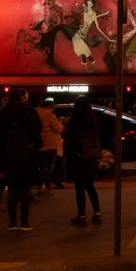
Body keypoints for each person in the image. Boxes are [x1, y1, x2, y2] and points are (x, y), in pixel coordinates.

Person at [0, 89, 43, 231]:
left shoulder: (6, 114)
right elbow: (39, 141)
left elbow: (2, 141)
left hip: (10, 156)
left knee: (12, 190)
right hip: (27, 157)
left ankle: (12, 222)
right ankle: (24, 222)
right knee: (24, 190)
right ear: (23, 99)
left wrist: (0, 164)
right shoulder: (30, 113)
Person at [62, 96, 102, 225]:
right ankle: (97, 213)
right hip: (90, 158)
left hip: (78, 158)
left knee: (79, 188)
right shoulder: (93, 120)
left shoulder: (75, 121)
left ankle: (82, 215)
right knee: (90, 186)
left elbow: (69, 139)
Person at [34, 97, 63, 194]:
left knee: (40, 168)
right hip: (50, 146)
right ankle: (48, 187)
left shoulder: (34, 114)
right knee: (49, 168)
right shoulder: (51, 116)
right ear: (49, 107)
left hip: (39, 145)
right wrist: (60, 122)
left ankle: (39, 187)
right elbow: (57, 129)